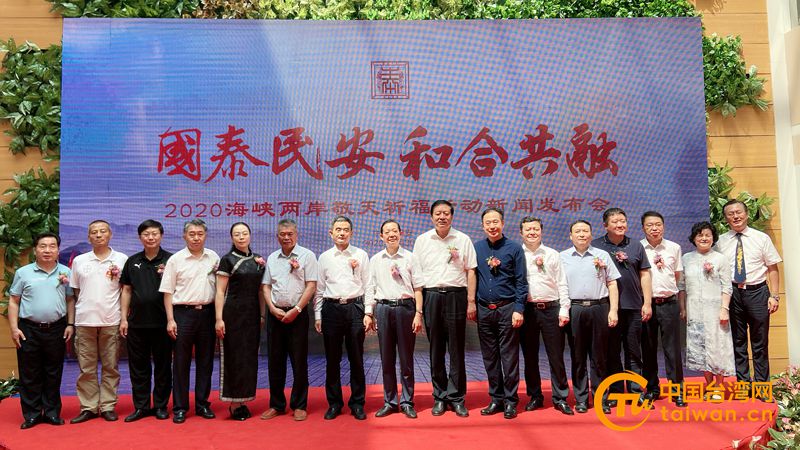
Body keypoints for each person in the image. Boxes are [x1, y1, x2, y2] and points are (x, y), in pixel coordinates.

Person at [412, 199, 477, 417]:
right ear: (431, 217)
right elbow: (416, 274)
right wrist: (419, 307)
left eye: (446, 213)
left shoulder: (462, 239)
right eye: (438, 213)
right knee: (436, 348)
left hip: (456, 296)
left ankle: (457, 397)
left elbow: (471, 270)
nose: (442, 217)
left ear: (452, 216)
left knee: (457, 348)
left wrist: (470, 300)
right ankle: (440, 397)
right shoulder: (422, 240)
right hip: (431, 296)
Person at [8, 232, 75, 429]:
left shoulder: (66, 272)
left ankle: (52, 413)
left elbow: (70, 299)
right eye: (43, 246)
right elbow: (14, 301)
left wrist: (70, 324)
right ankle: (32, 414)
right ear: (35, 249)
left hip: (57, 328)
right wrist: (14, 328)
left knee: (53, 372)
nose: (47, 250)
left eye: (52, 246)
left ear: (58, 250)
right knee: (29, 373)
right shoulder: (23, 272)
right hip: (28, 329)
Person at [716, 200, 781, 390]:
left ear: (746, 214)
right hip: (733, 293)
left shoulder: (761, 238)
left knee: (760, 343)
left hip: (757, 292)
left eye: (738, 212)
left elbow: (772, 268)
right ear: (726, 218)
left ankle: (762, 386)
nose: (735, 216)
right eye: (730, 214)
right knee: (738, 341)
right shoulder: (720, 241)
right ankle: (743, 385)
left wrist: (774, 295)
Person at [160, 219, 219, 423]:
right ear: (184, 236)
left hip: (208, 313)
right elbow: (167, 292)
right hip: (182, 314)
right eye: (192, 234)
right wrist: (170, 319)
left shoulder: (213, 258)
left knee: (206, 361)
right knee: (181, 363)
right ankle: (180, 407)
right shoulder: (176, 260)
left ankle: (202, 404)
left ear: (205, 235)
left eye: (200, 234)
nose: (196, 238)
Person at [69, 220, 128, 424]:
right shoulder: (80, 261)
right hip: (84, 321)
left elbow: (125, 291)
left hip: (111, 320)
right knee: (87, 368)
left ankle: (108, 406)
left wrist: (123, 317)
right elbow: (76, 291)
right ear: (88, 237)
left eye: (103, 231)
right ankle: (89, 407)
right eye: (94, 232)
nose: (98, 235)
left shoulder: (121, 259)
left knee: (111, 366)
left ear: (110, 234)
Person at [592, 208, 652, 404]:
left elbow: (645, 274)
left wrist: (647, 302)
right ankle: (616, 391)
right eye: (615, 221)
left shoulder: (635, 245)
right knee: (612, 352)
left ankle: (636, 392)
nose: (620, 225)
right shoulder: (596, 247)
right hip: (608, 308)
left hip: (633, 306)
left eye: (622, 221)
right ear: (605, 225)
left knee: (634, 351)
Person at [314, 216, 370, 420]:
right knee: (332, 360)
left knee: (356, 359)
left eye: (346, 229)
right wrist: (318, 315)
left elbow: (368, 285)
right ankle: (334, 403)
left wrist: (368, 312)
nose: (342, 233)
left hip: (355, 308)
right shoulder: (324, 257)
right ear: (331, 233)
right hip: (331, 309)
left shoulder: (361, 255)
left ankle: (357, 403)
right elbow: (320, 289)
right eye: (338, 229)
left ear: (351, 233)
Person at [365, 219, 423, 419]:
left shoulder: (410, 257)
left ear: (401, 233)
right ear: (381, 236)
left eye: (394, 231)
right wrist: (369, 313)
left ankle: (407, 402)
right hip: (383, 309)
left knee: (406, 359)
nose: (391, 234)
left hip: (406, 309)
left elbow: (418, 288)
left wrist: (418, 313)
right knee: (387, 358)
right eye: (387, 232)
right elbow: (370, 288)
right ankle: (389, 401)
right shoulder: (375, 259)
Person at [561, 220, 620, 414]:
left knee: (599, 356)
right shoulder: (562, 257)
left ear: (591, 234)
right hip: (575, 309)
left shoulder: (602, 255)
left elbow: (612, 283)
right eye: (577, 231)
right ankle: (581, 399)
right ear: (570, 236)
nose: (581, 234)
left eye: (585, 231)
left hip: (599, 307)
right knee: (577, 356)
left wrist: (613, 310)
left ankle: (601, 397)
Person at [261, 219, 318, 422]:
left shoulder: (307, 255)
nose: (286, 237)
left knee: (299, 361)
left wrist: (297, 309)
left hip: (298, 314)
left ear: (296, 234)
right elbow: (266, 286)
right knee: (275, 361)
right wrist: (271, 308)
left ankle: (299, 405)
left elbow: (311, 285)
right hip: (275, 315)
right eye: (282, 234)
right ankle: (276, 404)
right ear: (277, 236)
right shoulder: (272, 258)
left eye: (290, 234)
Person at [473, 208, 527, 419]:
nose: (492, 226)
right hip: (484, 309)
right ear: (482, 226)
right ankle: (496, 399)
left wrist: (519, 309)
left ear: (503, 223)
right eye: (488, 223)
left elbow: (521, 282)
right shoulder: (477, 248)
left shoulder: (514, 248)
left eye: (495, 222)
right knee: (490, 357)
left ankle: (511, 401)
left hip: (507, 308)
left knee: (509, 357)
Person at [119, 220, 173, 422]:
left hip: (163, 324)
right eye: (146, 234)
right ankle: (141, 407)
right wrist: (123, 318)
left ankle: (160, 406)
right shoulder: (132, 261)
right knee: (138, 368)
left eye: (154, 234)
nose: (151, 238)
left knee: (163, 367)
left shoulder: (171, 260)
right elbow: (126, 290)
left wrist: (172, 319)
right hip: (137, 324)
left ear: (161, 236)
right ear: (140, 237)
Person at [518, 217, 573, 416]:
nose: (532, 232)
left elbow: (562, 283)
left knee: (556, 355)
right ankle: (535, 396)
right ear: (521, 233)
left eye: (535, 229)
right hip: (527, 310)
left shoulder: (552, 254)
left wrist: (564, 309)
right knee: (530, 356)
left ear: (541, 231)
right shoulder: (517, 254)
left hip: (551, 309)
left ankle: (560, 397)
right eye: (528, 229)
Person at [214, 222, 265, 420]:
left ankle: (244, 399)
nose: (241, 237)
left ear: (250, 235)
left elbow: (260, 291)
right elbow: (220, 292)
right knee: (234, 357)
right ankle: (234, 404)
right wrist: (219, 319)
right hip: (232, 315)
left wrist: (262, 315)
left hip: (252, 316)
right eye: (237, 234)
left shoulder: (257, 260)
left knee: (248, 358)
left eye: (244, 233)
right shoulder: (227, 260)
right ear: (232, 237)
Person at [681, 221, 734, 396]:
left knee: (717, 346)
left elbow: (727, 287)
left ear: (713, 238)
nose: (704, 238)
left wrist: (724, 309)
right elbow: (682, 286)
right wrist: (683, 308)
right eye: (700, 235)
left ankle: (719, 386)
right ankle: (709, 385)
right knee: (700, 347)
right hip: (694, 310)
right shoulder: (686, 258)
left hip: (715, 310)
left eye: (707, 235)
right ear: (694, 238)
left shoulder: (720, 259)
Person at [639, 211, 686, 407]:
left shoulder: (674, 247)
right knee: (648, 349)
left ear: (664, 226)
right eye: (650, 225)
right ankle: (652, 389)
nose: (654, 228)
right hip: (646, 305)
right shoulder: (638, 248)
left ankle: (677, 391)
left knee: (672, 349)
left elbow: (677, 276)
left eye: (658, 224)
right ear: (643, 228)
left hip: (669, 303)